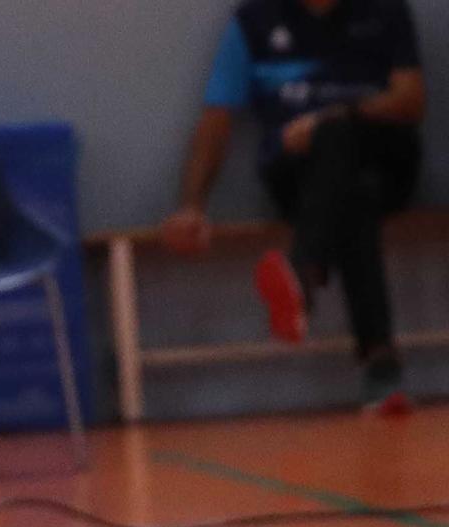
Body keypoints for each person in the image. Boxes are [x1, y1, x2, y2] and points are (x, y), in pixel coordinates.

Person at [162, 0, 426, 411]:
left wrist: (333, 119)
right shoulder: (253, 21)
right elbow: (216, 119)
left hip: (383, 159)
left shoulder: (385, 10)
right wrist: (192, 205)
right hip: (298, 176)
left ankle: (304, 274)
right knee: (354, 197)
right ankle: (382, 368)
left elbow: (411, 99)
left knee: (338, 139)